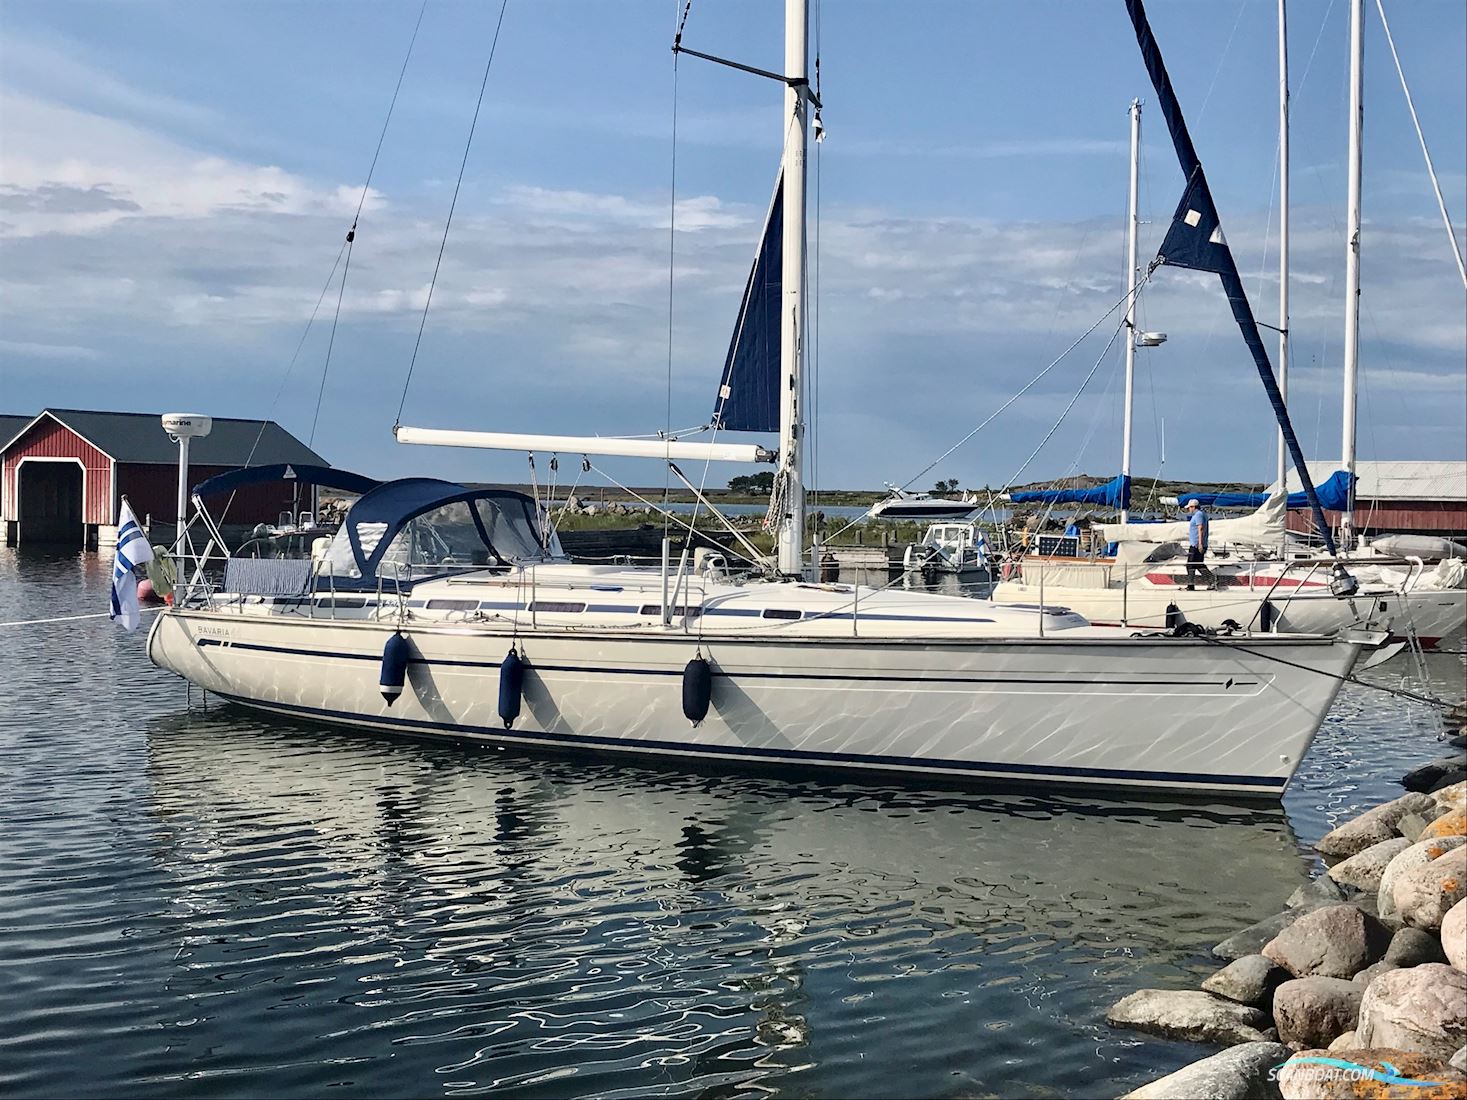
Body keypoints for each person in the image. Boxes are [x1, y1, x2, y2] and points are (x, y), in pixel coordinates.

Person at [1184, 498, 1213, 590]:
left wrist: (1200, 544)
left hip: (1196, 545)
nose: (1188, 510)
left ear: (1193, 507)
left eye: (1189, 508)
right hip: (1198, 543)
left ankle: (1191, 585)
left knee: (1191, 565)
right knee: (1198, 564)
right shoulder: (1202, 514)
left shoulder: (1198, 515)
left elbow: (1200, 528)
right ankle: (1212, 581)